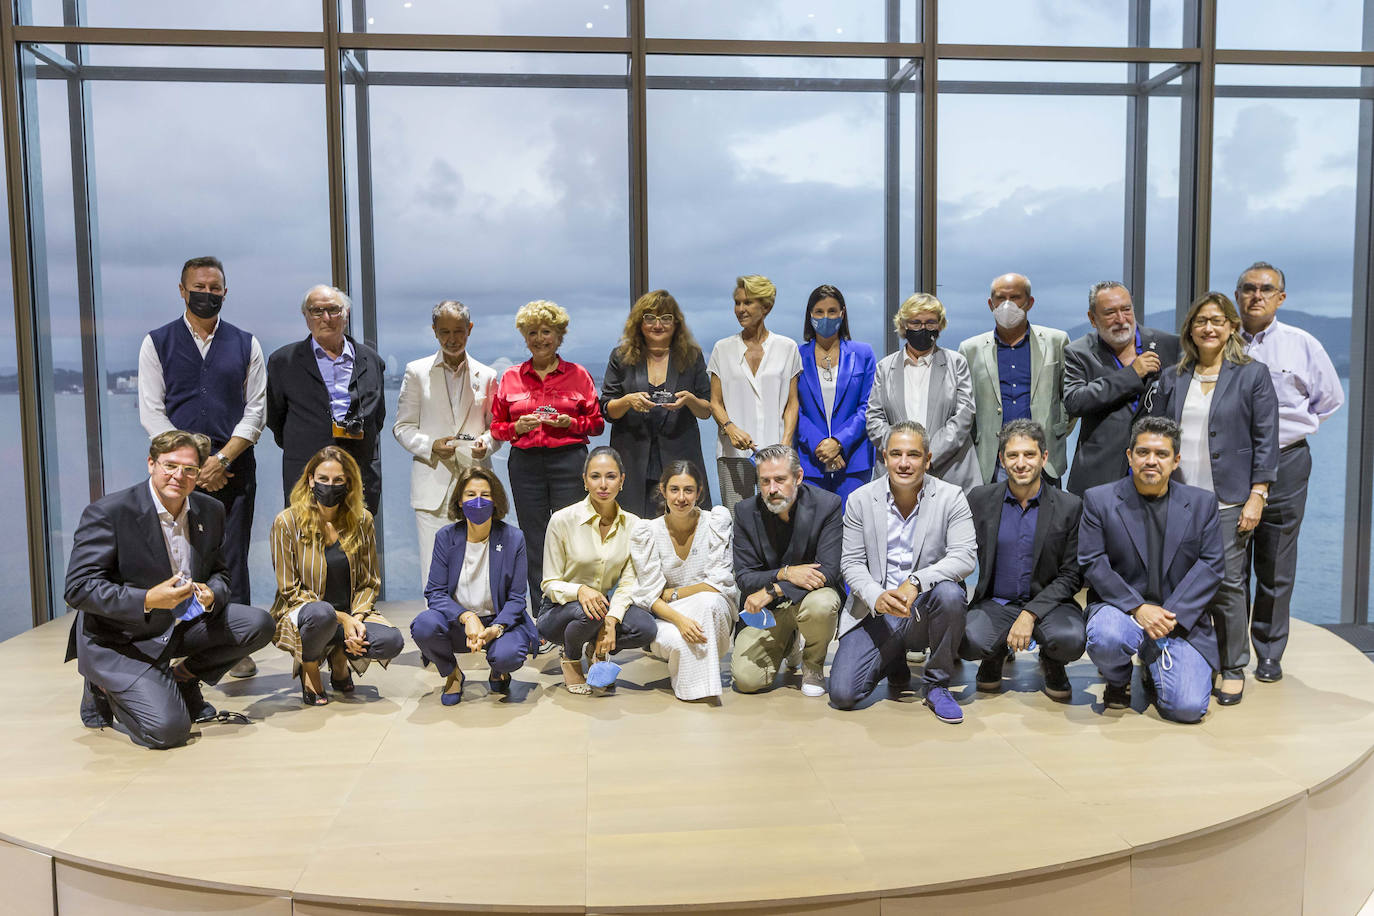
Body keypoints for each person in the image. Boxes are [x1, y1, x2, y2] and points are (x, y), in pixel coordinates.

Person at [63, 431, 274, 749]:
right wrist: (147, 599)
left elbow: (220, 572)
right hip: (120, 639)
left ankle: (183, 678)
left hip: (177, 625)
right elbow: (78, 588)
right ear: (151, 464)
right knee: (170, 732)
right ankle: (104, 685)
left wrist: (212, 593)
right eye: (170, 465)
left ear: (199, 471)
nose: (179, 475)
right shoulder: (110, 512)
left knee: (258, 624)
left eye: (189, 469)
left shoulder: (211, 510)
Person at [138, 255, 265, 679]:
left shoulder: (247, 343)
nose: (207, 294)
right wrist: (192, 463)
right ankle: (175, 638)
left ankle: (233, 645)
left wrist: (222, 459)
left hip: (234, 470)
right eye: (199, 287)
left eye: (215, 288)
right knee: (174, 552)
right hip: (175, 474)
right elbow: (152, 412)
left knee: (232, 554)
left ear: (225, 292)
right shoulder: (156, 342)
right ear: (182, 290)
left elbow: (256, 411)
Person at [1150, 292, 1278, 705]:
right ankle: (1189, 658)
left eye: (1217, 320)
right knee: (1179, 582)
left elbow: (1266, 440)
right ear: (1190, 328)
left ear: (1231, 327)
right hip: (1180, 499)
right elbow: (1159, 433)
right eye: (1201, 320)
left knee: (1228, 584)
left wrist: (1258, 495)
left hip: (1229, 500)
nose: (1209, 327)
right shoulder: (1173, 376)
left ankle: (1234, 665)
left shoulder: (1252, 375)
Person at [1236, 261, 1344, 683]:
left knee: (1276, 561)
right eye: (1248, 288)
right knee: (1229, 562)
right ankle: (1231, 651)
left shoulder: (1303, 344)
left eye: (1266, 289)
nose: (1256, 295)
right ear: (1238, 294)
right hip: (1232, 463)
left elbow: (1328, 401)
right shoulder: (1222, 342)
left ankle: (1268, 651)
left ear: (1281, 297)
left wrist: (1286, 433)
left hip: (1287, 461)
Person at [1080, 417, 1226, 723]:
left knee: (1186, 709)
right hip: (1121, 609)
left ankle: (1151, 663)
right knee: (1106, 638)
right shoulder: (1099, 500)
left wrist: (1167, 615)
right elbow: (1093, 561)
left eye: (1161, 454)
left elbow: (1211, 565)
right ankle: (1118, 679)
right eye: (1143, 452)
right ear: (1129, 456)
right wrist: (1138, 607)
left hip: (1178, 619)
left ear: (1176, 461)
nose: (1151, 460)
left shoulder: (1202, 504)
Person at [830, 421, 977, 722]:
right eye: (896, 454)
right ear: (884, 457)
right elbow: (852, 563)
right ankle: (893, 658)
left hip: (925, 606)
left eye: (913, 455)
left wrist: (917, 581)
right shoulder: (860, 500)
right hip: (875, 610)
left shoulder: (951, 497)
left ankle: (937, 685)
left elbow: (964, 557)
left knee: (950, 593)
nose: (904, 463)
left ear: (928, 459)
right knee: (843, 694)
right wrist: (875, 595)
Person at [490, 299, 605, 615]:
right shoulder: (511, 377)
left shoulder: (578, 375)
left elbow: (596, 424)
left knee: (574, 537)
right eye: (532, 333)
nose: (539, 339)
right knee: (536, 539)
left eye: (546, 332)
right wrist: (517, 426)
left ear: (559, 335)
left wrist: (572, 423)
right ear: (524, 338)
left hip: (569, 461)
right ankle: (543, 614)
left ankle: (577, 610)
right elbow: (497, 428)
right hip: (525, 464)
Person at [959, 419, 1085, 701]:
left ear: (1044, 457)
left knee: (1070, 640)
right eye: (1013, 455)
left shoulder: (1069, 506)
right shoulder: (980, 499)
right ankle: (995, 652)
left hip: (1050, 605)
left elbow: (1072, 574)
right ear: (1002, 460)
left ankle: (1052, 660)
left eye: (1029, 454)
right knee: (966, 640)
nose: (1021, 463)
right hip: (996, 602)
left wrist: (1030, 614)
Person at [267, 446, 404, 707]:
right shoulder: (287, 522)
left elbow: (369, 580)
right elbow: (289, 589)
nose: (330, 486)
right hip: (304, 612)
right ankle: (310, 668)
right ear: (310, 480)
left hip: (350, 611)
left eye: (338, 480)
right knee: (322, 615)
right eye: (323, 479)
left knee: (390, 641)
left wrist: (358, 619)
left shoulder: (362, 519)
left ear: (349, 483)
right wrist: (342, 619)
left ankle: (340, 654)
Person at [393, 299, 501, 587]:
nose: (452, 339)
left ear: (470, 329)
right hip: (433, 484)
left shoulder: (488, 375)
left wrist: (486, 445)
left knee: (477, 565)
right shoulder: (416, 371)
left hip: (476, 483)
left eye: (458, 331)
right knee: (434, 567)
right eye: (444, 332)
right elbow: (402, 427)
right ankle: (436, 628)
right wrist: (430, 446)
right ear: (434, 331)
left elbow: (496, 429)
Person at [410, 467, 536, 704]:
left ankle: (499, 667)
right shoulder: (446, 537)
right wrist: (467, 617)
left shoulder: (513, 538)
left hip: (498, 622)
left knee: (507, 655)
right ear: (459, 500)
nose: (478, 501)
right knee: (423, 626)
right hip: (459, 623)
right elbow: (434, 593)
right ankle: (452, 674)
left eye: (485, 494)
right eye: (470, 494)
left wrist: (496, 628)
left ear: (496, 499)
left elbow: (517, 598)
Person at [538, 447, 657, 694]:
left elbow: (628, 582)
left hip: (601, 608)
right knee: (588, 611)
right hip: (559, 611)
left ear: (622, 480)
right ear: (585, 480)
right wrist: (580, 590)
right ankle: (570, 658)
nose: (603, 485)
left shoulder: (634, 524)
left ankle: (596, 646)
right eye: (595, 476)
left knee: (646, 628)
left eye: (611, 476)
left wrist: (611, 621)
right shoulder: (562, 520)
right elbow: (549, 583)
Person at [729, 444, 843, 698]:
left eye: (780, 480)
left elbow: (830, 570)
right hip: (766, 611)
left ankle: (813, 664)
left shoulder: (828, 505)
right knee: (747, 680)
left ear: (799, 477)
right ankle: (789, 641)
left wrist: (775, 588)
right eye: (765, 481)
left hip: (807, 601)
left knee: (823, 602)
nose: (772, 489)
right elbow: (745, 577)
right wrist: (786, 573)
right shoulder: (745, 512)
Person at [266, 284, 387, 514]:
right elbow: (275, 417)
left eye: (333, 310)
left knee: (356, 547)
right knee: (306, 545)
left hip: (359, 472)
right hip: (304, 474)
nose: (326, 318)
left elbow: (378, 417)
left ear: (346, 314)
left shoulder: (372, 360)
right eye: (317, 311)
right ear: (306, 316)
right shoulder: (283, 361)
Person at [628, 461, 739, 701]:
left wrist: (672, 593)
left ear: (699, 492)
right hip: (667, 618)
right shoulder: (647, 531)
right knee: (684, 632)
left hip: (713, 615)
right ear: (663, 490)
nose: (681, 497)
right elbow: (648, 596)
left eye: (688, 490)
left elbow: (720, 584)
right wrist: (680, 620)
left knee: (709, 602)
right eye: (674, 489)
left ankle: (694, 689)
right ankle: (703, 690)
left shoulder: (715, 523)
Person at [600, 290, 713, 517]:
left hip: (680, 456)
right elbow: (607, 409)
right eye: (650, 317)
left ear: (676, 323)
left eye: (666, 318)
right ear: (639, 323)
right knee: (633, 528)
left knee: (685, 527)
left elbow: (706, 410)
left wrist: (690, 400)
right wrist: (627, 401)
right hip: (632, 457)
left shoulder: (692, 356)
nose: (657, 324)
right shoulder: (620, 356)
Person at [1063, 281, 1180, 496]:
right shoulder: (1078, 352)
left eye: (1126, 309)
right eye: (1110, 313)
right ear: (1092, 318)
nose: (1120, 319)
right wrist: (1132, 374)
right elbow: (1074, 402)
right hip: (1099, 478)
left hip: (1159, 475)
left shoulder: (1169, 345)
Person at [958, 273, 1073, 485]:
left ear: (1029, 302)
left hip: (1043, 457)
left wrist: (1059, 426)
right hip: (991, 460)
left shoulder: (1056, 341)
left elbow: (1070, 396)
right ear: (990, 304)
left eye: (1015, 297)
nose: (1007, 305)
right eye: (1000, 298)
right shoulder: (970, 349)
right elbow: (964, 404)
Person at [866, 293, 979, 493]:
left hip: (948, 471)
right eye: (916, 323)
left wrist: (928, 456)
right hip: (897, 473)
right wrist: (904, 454)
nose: (923, 328)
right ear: (904, 326)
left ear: (940, 325)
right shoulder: (884, 367)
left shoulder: (956, 363)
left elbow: (963, 416)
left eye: (930, 323)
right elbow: (874, 418)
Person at [707, 275, 802, 509]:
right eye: (737, 303)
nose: (740, 309)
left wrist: (785, 444)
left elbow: (792, 403)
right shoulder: (722, 348)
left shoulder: (787, 347)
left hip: (776, 453)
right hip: (732, 455)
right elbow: (715, 402)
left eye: (747, 303)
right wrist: (730, 428)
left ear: (766, 306)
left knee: (778, 519)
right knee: (737, 521)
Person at [796, 284, 877, 505]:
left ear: (843, 313)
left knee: (853, 530)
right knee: (813, 532)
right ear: (810, 315)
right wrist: (821, 444)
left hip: (853, 460)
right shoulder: (796, 355)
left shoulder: (863, 354)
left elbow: (868, 407)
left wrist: (839, 442)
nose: (826, 317)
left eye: (832, 311)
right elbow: (795, 410)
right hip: (811, 460)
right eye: (819, 312)